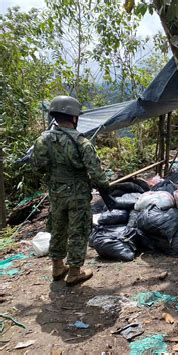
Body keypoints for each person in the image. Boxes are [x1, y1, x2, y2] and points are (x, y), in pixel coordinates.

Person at [31, 95, 112, 286]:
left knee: (58, 229)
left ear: (55, 116)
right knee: (78, 231)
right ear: (74, 118)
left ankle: (57, 267)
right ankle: (75, 272)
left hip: (57, 195)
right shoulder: (82, 143)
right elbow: (96, 174)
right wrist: (106, 188)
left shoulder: (43, 140)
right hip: (78, 195)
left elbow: (37, 166)